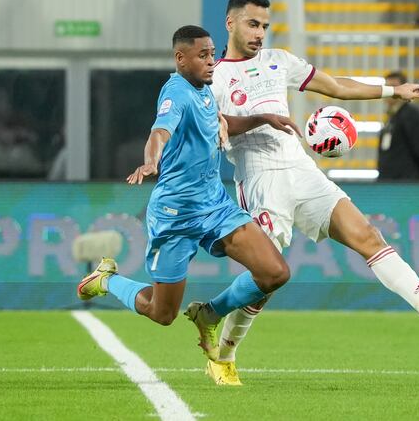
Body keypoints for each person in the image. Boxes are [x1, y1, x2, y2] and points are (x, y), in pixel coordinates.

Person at [208, 0, 419, 386]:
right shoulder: (213, 76)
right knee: (266, 277)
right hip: (261, 178)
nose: (260, 33)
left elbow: (336, 87)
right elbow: (211, 128)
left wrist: (392, 91)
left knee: (368, 235)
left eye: (265, 26)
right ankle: (224, 355)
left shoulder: (279, 61)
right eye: (253, 24)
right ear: (230, 23)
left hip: (303, 169)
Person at [77, 25, 297, 362]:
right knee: (161, 312)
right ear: (181, 59)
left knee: (275, 273)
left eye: (212, 54)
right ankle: (107, 279)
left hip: (214, 206)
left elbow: (219, 121)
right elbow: (159, 132)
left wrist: (262, 118)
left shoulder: (203, 88)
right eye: (203, 56)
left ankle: (209, 313)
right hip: (175, 215)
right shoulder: (176, 93)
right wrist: (151, 162)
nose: (212, 62)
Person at [377, 72, 419, 181]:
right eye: (387, 86)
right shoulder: (392, 116)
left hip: (406, 183)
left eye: (394, 87)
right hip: (390, 181)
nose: (390, 91)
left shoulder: (411, 114)